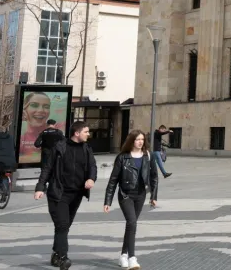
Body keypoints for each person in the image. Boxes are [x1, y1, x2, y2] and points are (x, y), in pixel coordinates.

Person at [34, 121, 98, 270]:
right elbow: (47, 168)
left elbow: (92, 166)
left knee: (64, 226)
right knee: (62, 225)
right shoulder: (60, 147)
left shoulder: (86, 148)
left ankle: (56, 255)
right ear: (77, 133)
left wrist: (91, 178)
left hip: (76, 194)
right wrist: (40, 188)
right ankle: (63, 258)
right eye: (86, 131)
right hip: (59, 193)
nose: (88, 134)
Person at [104, 129, 159, 270]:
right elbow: (113, 180)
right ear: (131, 141)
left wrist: (153, 196)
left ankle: (123, 255)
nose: (140, 142)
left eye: (142, 139)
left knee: (131, 226)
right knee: (132, 223)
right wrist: (107, 201)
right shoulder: (123, 157)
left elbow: (154, 177)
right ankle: (132, 258)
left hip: (141, 195)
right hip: (125, 195)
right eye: (137, 139)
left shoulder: (148, 155)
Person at [20, 92, 57, 159]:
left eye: (46, 107)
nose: (41, 110)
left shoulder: (60, 129)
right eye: (34, 105)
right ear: (24, 110)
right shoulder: (21, 140)